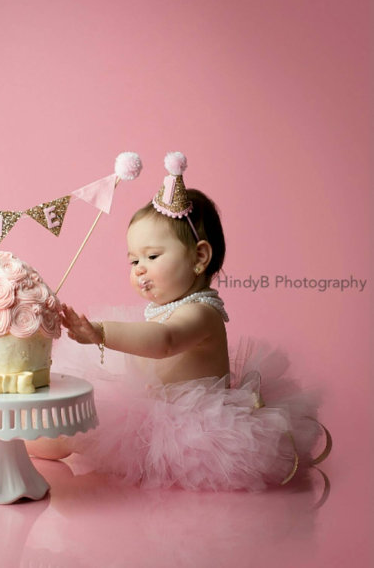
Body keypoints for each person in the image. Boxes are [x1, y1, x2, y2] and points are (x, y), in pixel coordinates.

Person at [31, 152, 331, 491]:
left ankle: (9, 443)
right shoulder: (169, 308)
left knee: (81, 432)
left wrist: (100, 332)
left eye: (152, 256)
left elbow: (165, 342)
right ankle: (12, 441)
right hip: (155, 406)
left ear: (200, 257)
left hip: (195, 426)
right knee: (78, 422)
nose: (139, 268)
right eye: (133, 260)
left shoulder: (201, 313)